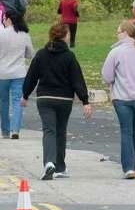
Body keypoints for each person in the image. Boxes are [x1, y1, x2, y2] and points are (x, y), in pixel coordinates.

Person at [23, 19, 91, 181]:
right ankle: (60, 166)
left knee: (49, 130)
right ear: (65, 36)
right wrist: (85, 100)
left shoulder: (41, 54)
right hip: (64, 99)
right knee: (61, 131)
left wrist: (25, 95)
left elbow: (31, 76)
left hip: (45, 98)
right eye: (68, 34)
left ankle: (49, 162)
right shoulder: (69, 56)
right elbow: (77, 80)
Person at [102, 20, 135, 178]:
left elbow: (107, 76)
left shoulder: (115, 52)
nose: (117, 34)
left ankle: (129, 167)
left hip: (121, 97)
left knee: (126, 131)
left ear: (125, 32)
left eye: (118, 31)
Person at [0, 12, 34, 140]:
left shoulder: (0, 34)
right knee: (17, 101)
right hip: (19, 73)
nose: (3, 21)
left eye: (4, 19)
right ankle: (15, 129)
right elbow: (30, 53)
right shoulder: (24, 34)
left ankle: (5, 130)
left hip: (2, 74)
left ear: (9, 20)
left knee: (4, 102)